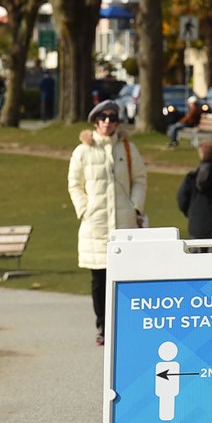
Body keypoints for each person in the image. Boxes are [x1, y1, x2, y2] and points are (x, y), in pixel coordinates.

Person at [68, 99, 147, 347]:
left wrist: (135, 207)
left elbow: (140, 180)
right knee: (99, 278)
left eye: (112, 118)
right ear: (95, 121)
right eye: (103, 118)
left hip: (124, 223)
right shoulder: (82, 151)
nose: (108, 122)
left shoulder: (127, 148)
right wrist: (85, 209)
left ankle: (124, 324)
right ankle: (102, 325)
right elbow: (74, 184)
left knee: (125, 276)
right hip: (96, 224)